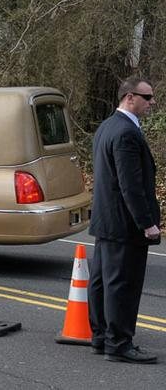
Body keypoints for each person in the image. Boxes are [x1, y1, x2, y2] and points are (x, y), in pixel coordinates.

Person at [88, 76, 161, 364]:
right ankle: (118, 344)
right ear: (129, 97)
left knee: (102, 281)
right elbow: (130, 184)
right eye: (147, 97)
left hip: (107, 220)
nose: (152, 102)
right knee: (123, 284)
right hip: (124, 223)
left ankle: (101, 337)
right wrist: (147, 223)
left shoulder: (107, 127)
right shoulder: (126, 133)